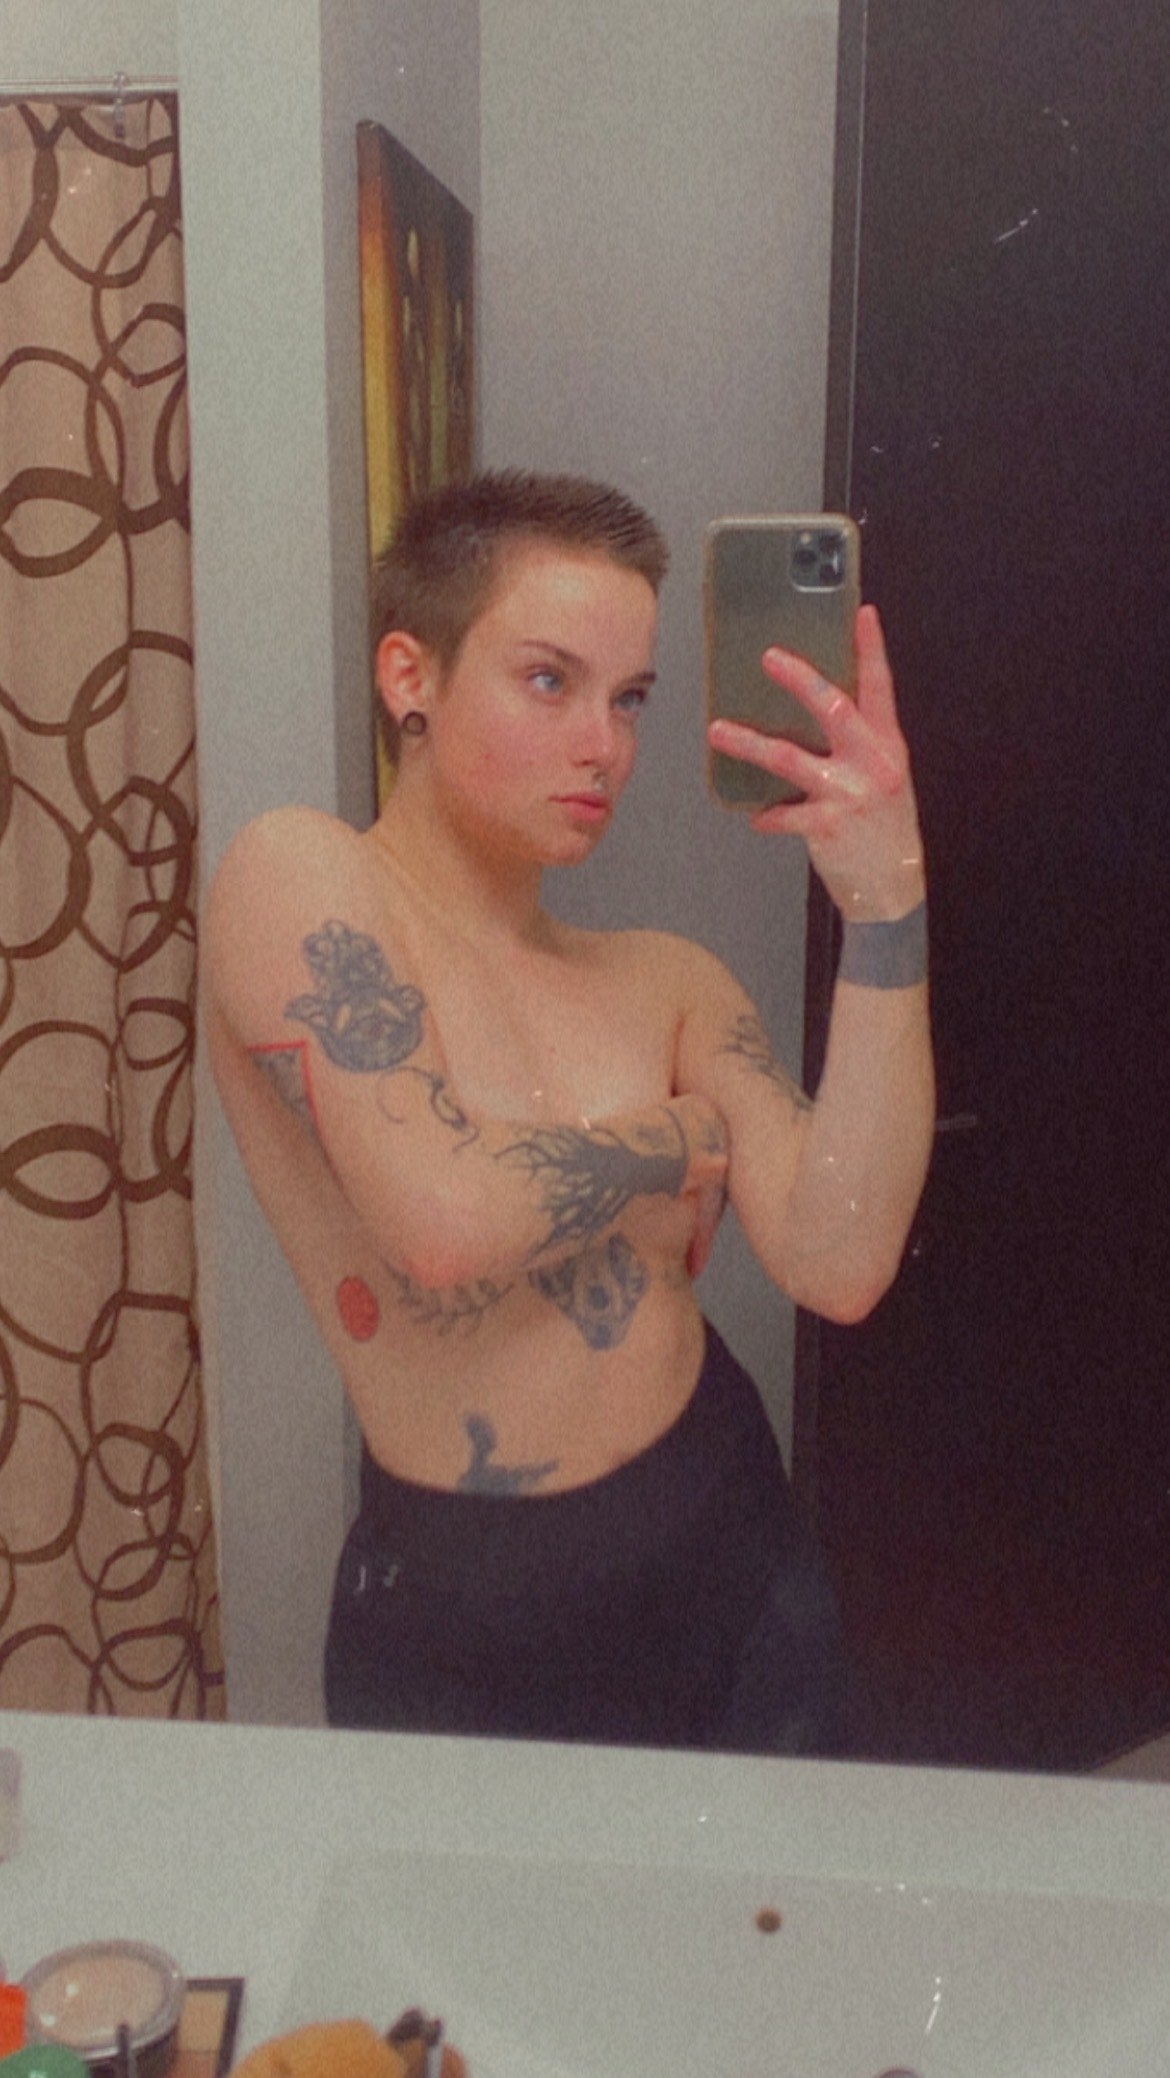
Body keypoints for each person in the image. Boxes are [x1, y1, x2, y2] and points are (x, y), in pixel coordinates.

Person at [203, 471, 933, 1754]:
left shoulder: (667, 981)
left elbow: (842, 1257)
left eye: (629, 698)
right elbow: (443, 1221)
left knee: (773, 1885)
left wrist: (887, 909)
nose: (606, 745)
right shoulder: (299, 877)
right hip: (466, 1615)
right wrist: (683, 1139)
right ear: (410, 676)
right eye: (550, 680)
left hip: (730, 1547)